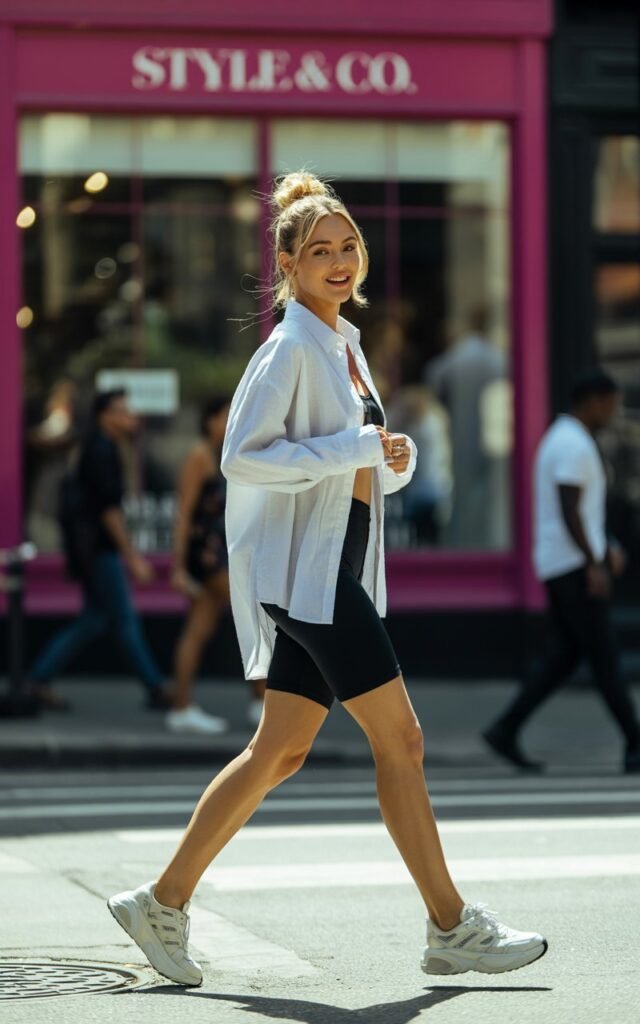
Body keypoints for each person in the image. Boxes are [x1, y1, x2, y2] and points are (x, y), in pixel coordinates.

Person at [108, 172, 547, 986]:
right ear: (287, 262)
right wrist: (352, 452)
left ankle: (159, 902)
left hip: (332, 559)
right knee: (402, 739)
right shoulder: (287, 349)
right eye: (321, 251)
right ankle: (452, 925)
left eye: (349, 246)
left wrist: (392, 459)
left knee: (278, 751)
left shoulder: (343, 345)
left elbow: (351, 459)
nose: (341, 261)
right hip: (305, 573)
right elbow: (243, 457)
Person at [484, 369, 640, 774]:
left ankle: (505, 727)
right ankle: (636, 743)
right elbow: (569, 509)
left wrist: (607, 546)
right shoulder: (571, 443)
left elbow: (579, 510)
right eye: (610, 402)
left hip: (564, 562)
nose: (614, 410)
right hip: (571, 566)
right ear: (592, 401)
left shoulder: (568, 439)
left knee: (567, 657)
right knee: (604, 659)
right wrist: (594, 562)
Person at [27, 389, 172, 711]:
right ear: (105, 415)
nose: (130, 417)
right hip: (100, 551)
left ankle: (38, 678)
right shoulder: (101, 450)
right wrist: (132, 557)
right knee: (124, 619)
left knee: (94, 619)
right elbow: (109, 511)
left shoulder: (100, 447)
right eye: (122, 410)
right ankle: (156, 687)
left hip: (93, 550)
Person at [168, 396, 265, 734]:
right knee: (254, 615)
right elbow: (183, 514)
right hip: (206, 556)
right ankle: (261, 700)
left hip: (221, 552)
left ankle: (182, 707)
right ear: (209, 421)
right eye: (225, 415)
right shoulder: (199, 457)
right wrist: (178, 567)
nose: (232, 420)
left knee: (200, 627)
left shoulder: (228, 454)